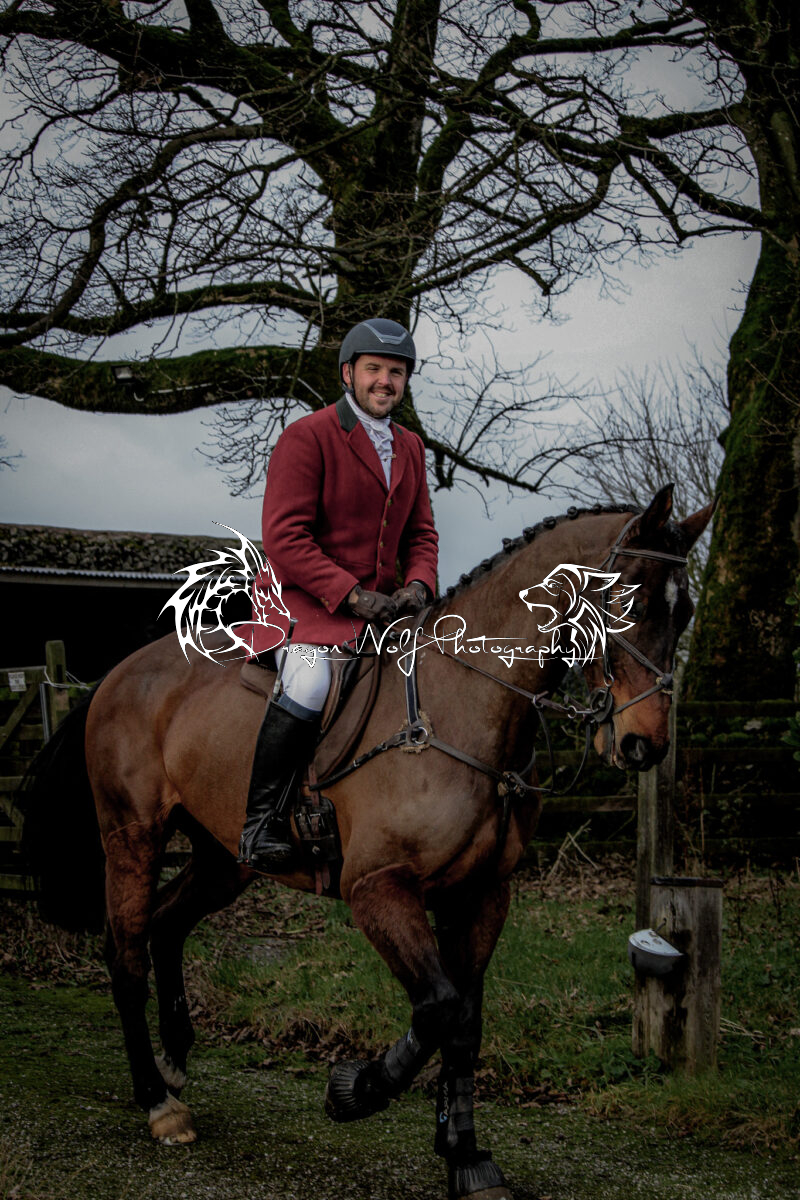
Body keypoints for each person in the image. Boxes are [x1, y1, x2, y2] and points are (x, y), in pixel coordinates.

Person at [238, 318, 439, 872]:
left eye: (396, 372)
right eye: (374, 369)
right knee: (309, 680)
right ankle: (261, 823)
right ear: (348, 373)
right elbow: (285, 538)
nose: (385, 381)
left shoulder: (411, 446)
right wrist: (350, 595)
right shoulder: (307, 436)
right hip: (304, 604)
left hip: (383, 611)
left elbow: (421, 534)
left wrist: (418, 583)